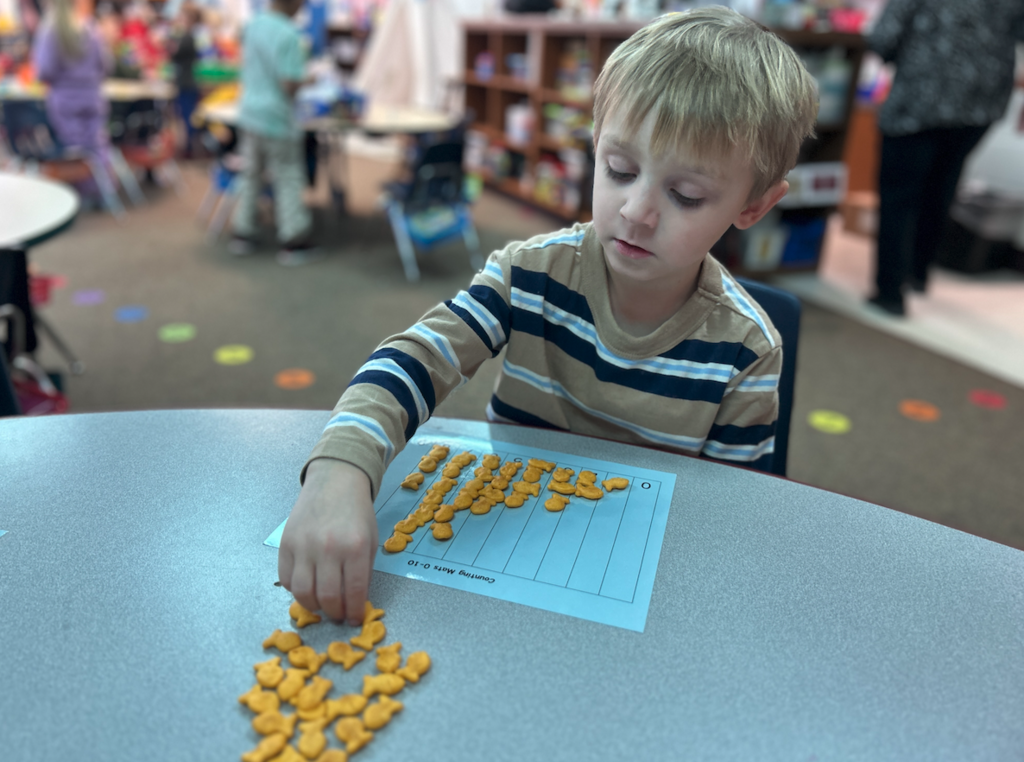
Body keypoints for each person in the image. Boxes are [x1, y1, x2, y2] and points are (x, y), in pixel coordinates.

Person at [278, 7, 818, 624]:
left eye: (685, 195)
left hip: (634, 580)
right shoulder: (529, 274)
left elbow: (729, 517)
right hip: (501, 539)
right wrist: (341, 466)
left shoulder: (747, 349)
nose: (636, 211)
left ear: (753, 206)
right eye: (619, 170)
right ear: (595, 144)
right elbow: (418, 356)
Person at [866, 0, 1024, 317]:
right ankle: (917, 272)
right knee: (942, 185)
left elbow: (884, 36)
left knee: (899, 195)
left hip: (921, 95)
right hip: (981, 102)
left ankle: (890, 291)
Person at [228, 0, 318, 266]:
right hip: (277, 117)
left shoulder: (252, 26)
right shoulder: (289, 34)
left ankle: (243, 233)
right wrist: (309, 79)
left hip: (249, 112)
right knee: (288, 175)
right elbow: (288, 83)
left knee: (250, 173)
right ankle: (293, 239)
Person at [32, 0, 110, 157]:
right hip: (93, 97)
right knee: (97, 147)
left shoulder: (50, 30)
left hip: (65, 101)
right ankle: (104, 172)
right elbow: (106, 65)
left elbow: (44, 70)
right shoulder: (91, 28)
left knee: (74, 153)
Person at [168, 1, 202, 158]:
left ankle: (188, 148)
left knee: (186, 116)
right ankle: (188, 147)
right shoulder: (188, 37)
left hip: (186, 82)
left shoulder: (187, 38)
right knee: (185, 115)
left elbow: (174, 54)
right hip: (186, 81)